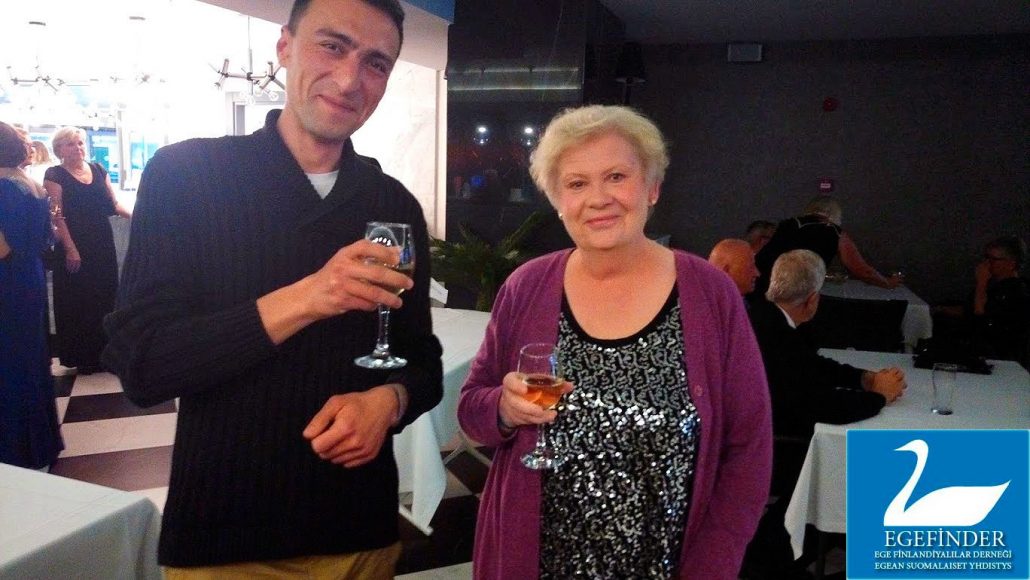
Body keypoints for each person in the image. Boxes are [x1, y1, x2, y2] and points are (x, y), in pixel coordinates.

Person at [102, 0, 443, 577]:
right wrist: (308, 297)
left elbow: (422, 359)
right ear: (284, 47)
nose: (349, 79)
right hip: (224, 539)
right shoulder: (187, 176)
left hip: (359, 531)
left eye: (376, 63)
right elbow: (144, 366)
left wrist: (390, 401)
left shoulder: (393, 203)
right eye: (332, 46)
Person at [457, 105, 771, 579]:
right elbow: (470, 410)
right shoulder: (525, 287)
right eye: (576, 183)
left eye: (616, 177)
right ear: (558, 200)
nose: (597, 198)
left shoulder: (711, 293)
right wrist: (502, 407)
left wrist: (714, 564)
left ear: (652, 187)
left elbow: (749, 450)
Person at [743, 249, 905, 578]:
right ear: (813, 299)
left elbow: (810, 367)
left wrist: (863, 378)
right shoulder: (776, 334)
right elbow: (822, 406)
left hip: (764, 427)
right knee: (848, 462)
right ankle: (775, 556)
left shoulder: (766, 317)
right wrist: (879, 397)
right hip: (772, 442)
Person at [0, 121, 64, 470]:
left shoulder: (2, 187)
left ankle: (14, 449)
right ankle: (38, 443)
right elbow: (45, 236)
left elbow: (3, 248)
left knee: (9, 362)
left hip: (8, 281)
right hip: (29, 277)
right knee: (30, 360)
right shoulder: (29, 183)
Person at [43, 126, 131, 374]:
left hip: (101, 242)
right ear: (59, 149)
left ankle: (107, 354)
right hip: (74, 242)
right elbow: (57, 216)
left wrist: (140, 217)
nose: (78, 148)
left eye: (80, 143)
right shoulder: (54, 175)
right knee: (79, 300)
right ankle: (83, 356)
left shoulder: (98, 169)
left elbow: (113, 204)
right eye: (71, 144)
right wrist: (71, 249)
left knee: (105, 294)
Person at [754, 195, 901, 298]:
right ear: (834, 215)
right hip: (791, 295)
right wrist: (888, 283)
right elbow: (862, 271)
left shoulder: (786, 224)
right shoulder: (835, 232)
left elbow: (762, 251)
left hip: (760, 287)